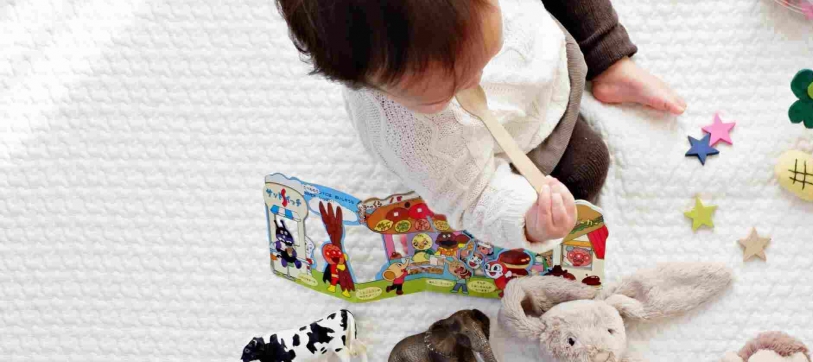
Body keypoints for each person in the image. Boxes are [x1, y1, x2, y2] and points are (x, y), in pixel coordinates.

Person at [274, 0, 684, 251]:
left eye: (483, 58)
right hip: (524, 137)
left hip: (548, 42)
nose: (474, 85)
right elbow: (474, 198)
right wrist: (530, 220)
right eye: (443, 93)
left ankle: (610, 61)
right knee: (586, 167)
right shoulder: (414, 137)